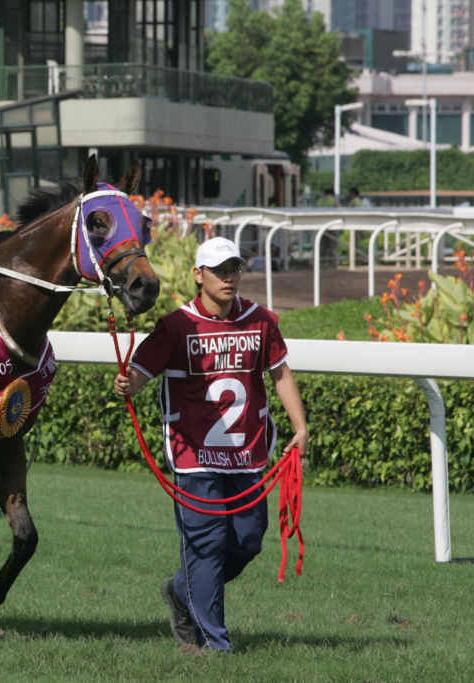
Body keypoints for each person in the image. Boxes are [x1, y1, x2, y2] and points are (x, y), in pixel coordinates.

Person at [113, 237, 308, 653]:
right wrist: (129, 384)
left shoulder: (261, 321)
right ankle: (213, 643)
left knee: (248, 541)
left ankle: (180, 591)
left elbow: (281, 375)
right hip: (194, 457)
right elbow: (141, 373)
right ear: (198, 275)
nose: (229, 277)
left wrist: (300, 426)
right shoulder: (175, 326)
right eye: (219, 270)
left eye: (234, 269)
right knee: (206, 546)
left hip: (247, 454)